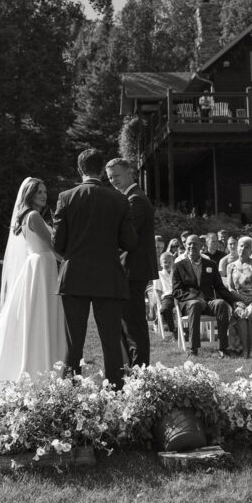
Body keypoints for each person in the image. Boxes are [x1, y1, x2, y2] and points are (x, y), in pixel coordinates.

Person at [0, 177, 67, 397]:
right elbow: (55, 247)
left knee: (38, 315)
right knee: (40, 315)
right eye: (39, 191)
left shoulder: (30, 216)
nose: (43, 194)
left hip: (40, 266)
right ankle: (40, 361)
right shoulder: (34, 216)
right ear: (29, 195)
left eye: (45, 191)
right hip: (41, 268)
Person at [54, 149, 137, 389]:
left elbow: (57, 243)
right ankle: (116, 390)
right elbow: (129, 241)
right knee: (111, 341)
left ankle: (70, 391)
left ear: (80, 170)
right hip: (108, 276)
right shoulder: (119, 199)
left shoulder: (66, 197)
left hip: (75, 276)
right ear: (102, 171)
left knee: (74, 341)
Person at [106, 157, 156, 367]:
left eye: (116, 175)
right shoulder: (129, 198)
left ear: (130, 173)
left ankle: (140, 371)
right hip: (128, 270)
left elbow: (126, 238)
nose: (113, 181)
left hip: (133, 270)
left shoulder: (135, 200)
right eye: (109, 177)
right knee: (126, 323)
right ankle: (132, 369)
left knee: (133, 324)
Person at [171, 234, 235, 356]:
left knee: (221, 303)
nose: (192, 246)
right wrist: (194, 298)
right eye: (189, 243)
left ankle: (223, 348)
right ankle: (193, 349)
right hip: (189, 303)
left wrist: (233, 302)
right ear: (185, 245)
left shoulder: (211, 264)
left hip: (208, 301)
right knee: (195, 304)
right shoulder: (178, 266)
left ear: (201, 246)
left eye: (195, 243)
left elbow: (220, 287)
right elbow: (176, 291)